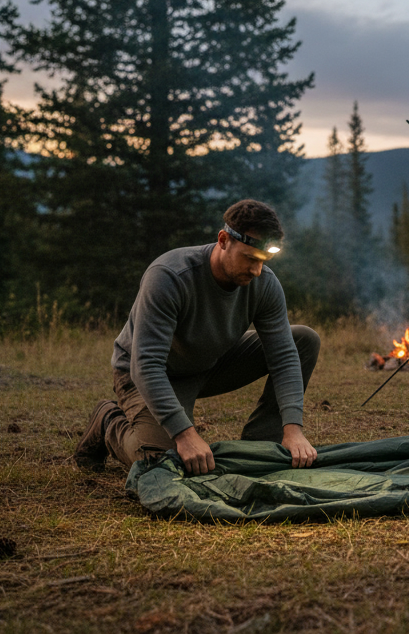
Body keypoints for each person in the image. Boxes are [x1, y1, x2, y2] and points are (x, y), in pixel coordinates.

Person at [74, 199, 319, 476]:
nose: (257, 271)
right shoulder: (170, 276)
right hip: (147, 373)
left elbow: (285, 357)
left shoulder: (264, 284)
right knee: (161, 461)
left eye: (264, 261)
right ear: (223, 240)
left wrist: (293, 429)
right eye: (250, 258)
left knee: (303, 340)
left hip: (209, 362)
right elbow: (146, 364)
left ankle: (263, 442)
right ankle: (108, 421)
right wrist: (184, 434)